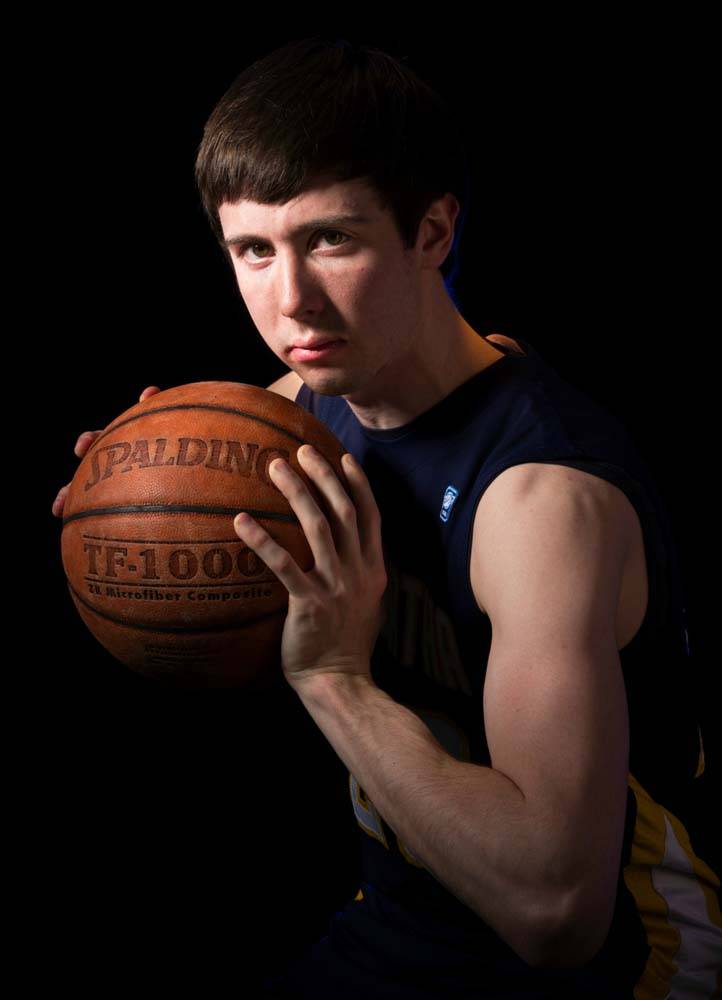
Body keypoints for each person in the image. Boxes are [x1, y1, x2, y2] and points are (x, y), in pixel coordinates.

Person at [52, 37, 721, 999]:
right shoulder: (309, 406)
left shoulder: (541, 503)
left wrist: (330, 677)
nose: (292, 300)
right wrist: (132, 482)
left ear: (434, 233)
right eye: (253, 250)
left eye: (333, 240)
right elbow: (199, 482)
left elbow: (557, 913)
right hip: (411, 926)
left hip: (621, 967)